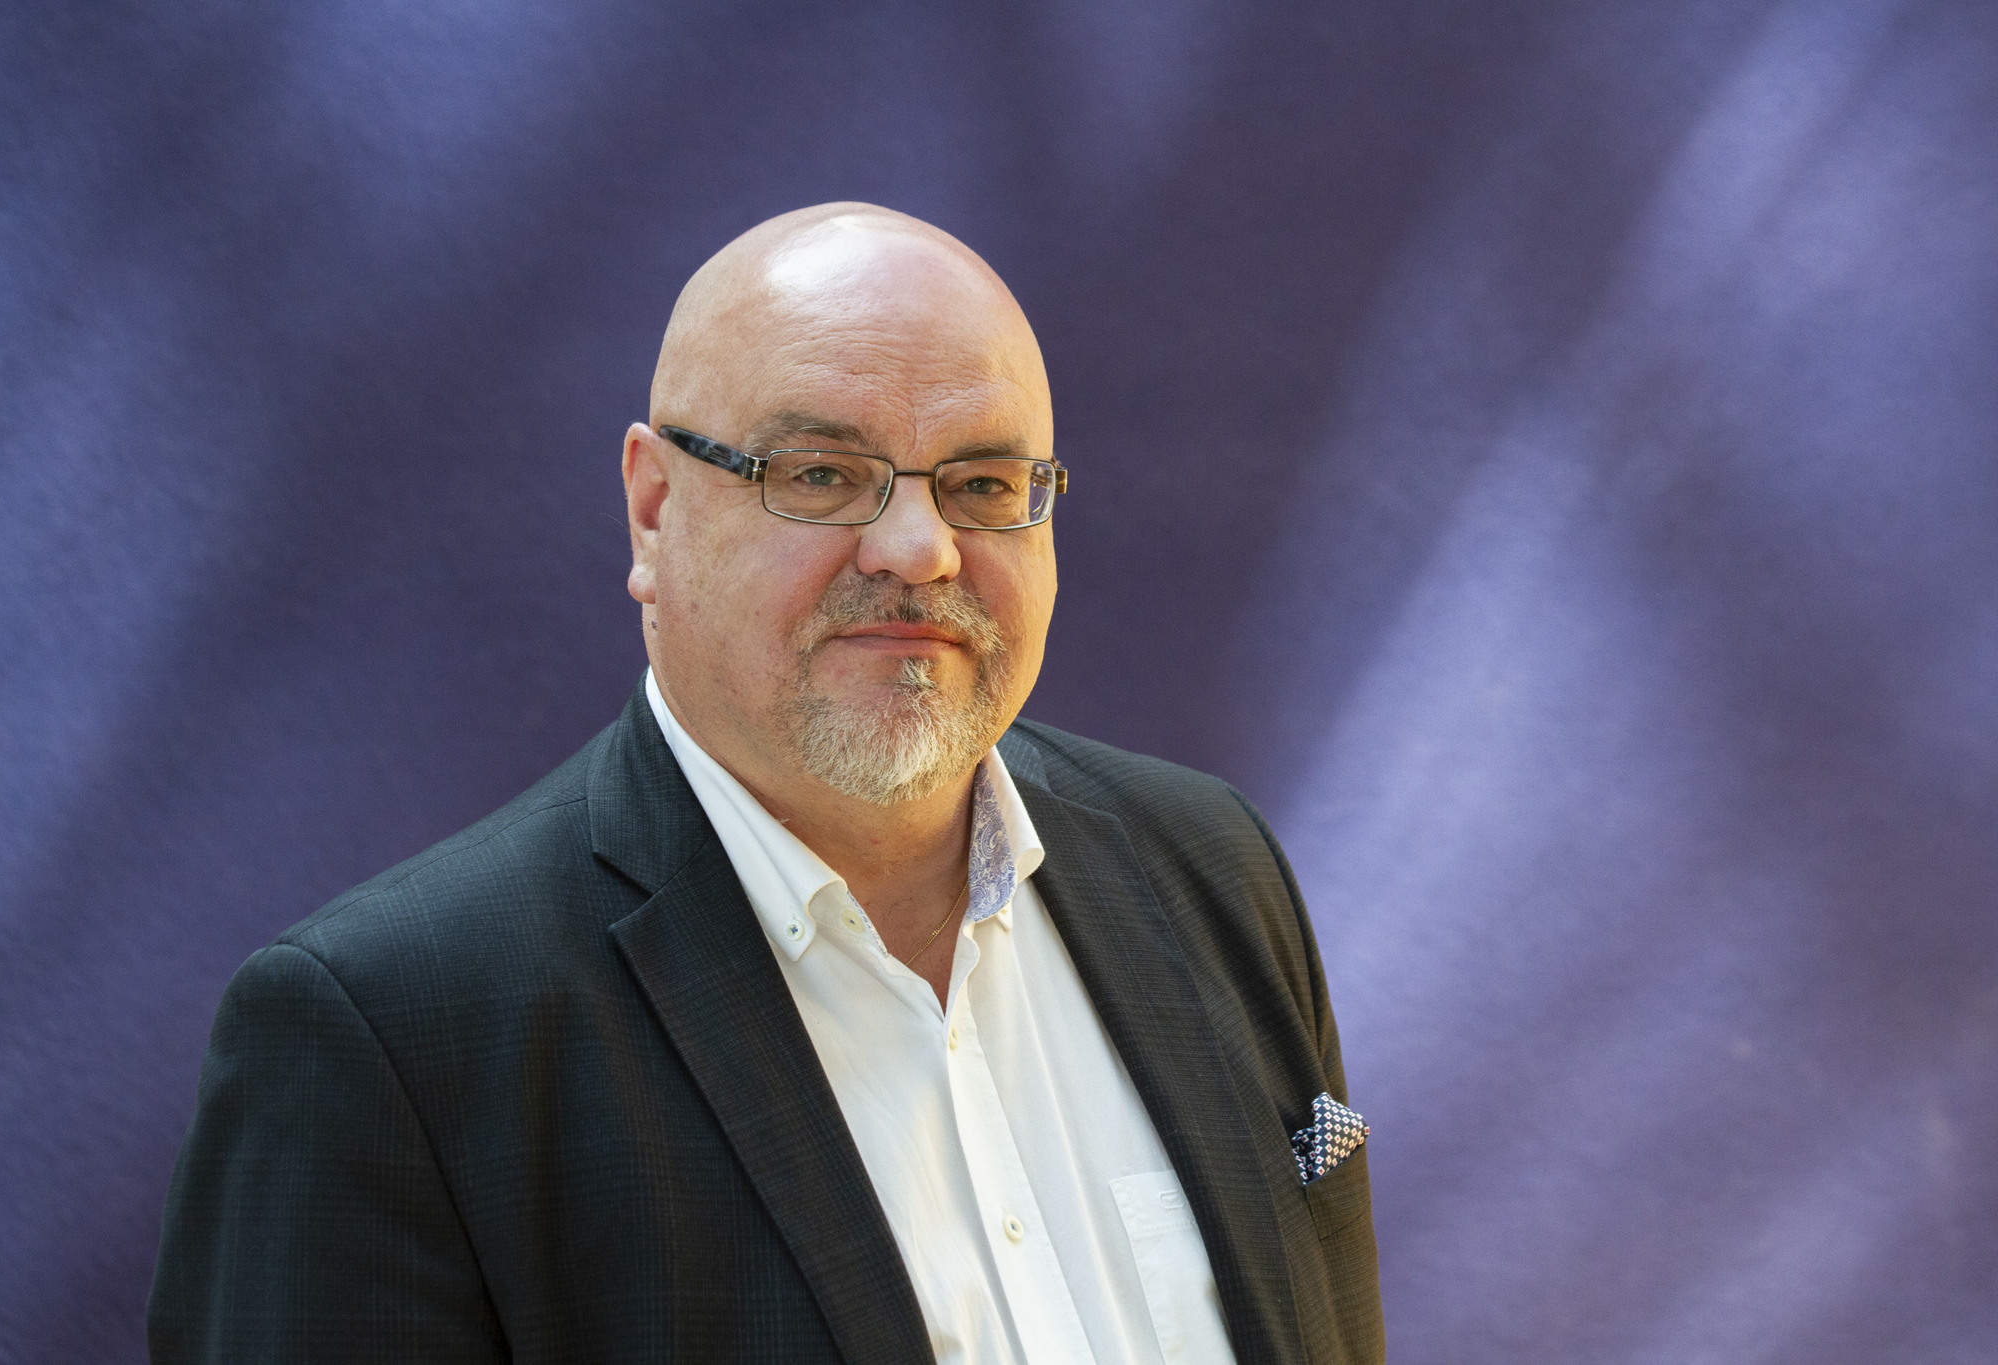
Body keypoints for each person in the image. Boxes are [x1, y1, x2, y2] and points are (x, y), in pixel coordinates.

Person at [148, 204, 1383, 1364]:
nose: (918, 549)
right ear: (652, 511)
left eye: (983, 485)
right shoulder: (390, 1040)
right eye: (818, 474)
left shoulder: (1208, 871)